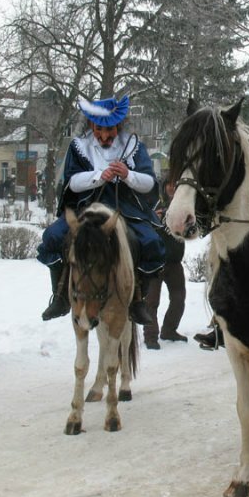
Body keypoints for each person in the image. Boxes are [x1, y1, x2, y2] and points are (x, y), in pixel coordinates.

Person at [37, 95, 165, 326]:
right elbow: (72, 182)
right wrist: (99, 176)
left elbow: (148, 183)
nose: (104, 136)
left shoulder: (134, 147)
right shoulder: (79, 146)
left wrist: (128, 175)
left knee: (151, 242)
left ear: (118, 125)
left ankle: (138, 300)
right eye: (99, 129)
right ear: (91, 125)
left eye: (110, 130)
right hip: (86, 204)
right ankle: (59, 297)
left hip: (124, 206)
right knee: (53, 236)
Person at [143, 179, 188, 350]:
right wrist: (155, 218)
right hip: (155, 262)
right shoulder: (154, 204)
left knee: (179, 299)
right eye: (169, 184)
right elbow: (143, 227)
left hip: (175, 261)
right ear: (164, 186)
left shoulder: (184, 206)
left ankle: (169, 330)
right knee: (151, 301)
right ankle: (150, 336)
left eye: (175, 185)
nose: (172, 188)